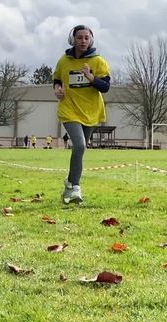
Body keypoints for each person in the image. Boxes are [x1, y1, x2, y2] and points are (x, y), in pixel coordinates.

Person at [53, 24, 110, 204]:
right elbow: (56, 79)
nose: (83, 41)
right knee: (80, 146)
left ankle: (69, 184)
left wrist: (91, 77)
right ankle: (76, 188)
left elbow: (106, 87)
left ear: (91, 40)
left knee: (79, 151)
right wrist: (57, 89)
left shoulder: (98, 61)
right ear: (73, 39)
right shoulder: (64, 61)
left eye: (87, 37)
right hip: (69, 108)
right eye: (80, 37)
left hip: (91, 111)